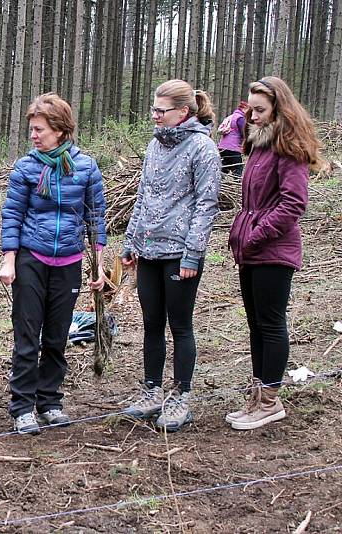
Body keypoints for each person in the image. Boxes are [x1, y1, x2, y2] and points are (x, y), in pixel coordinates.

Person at [0, 93, 107, 435]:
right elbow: (12, 215)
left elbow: (95, 217)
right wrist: (9, 260)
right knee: (28, 336)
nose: (33, 135)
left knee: (58, 336)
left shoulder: (86, 167)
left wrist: (99, 265)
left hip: (69, 261)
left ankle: (49, 402)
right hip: (32, 258)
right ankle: (22, 407)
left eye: (39, 129)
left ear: (60, 130)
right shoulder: (26, 167)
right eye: (31, 129)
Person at [120, 79, 221, 432]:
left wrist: (193, 255)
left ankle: (181, 397)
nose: (156, 116)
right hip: (148, 250)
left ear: (184, 112)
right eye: (154, 109)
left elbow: (206, 206)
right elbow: (143, 196)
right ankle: (151, 391)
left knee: (179, 325)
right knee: (151, 324)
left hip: (180, 254)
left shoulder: (203, 148)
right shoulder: (153, 145)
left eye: (161, 110)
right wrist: (130, 242)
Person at [226, 77, 322, 430]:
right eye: (251, 109)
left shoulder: (289, 148)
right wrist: (244, 237)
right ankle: (257, 396)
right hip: (250, 248)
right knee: (255, 325)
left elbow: (293, 203)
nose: (253, 116)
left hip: (273, 250)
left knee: (270, 323)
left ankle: (270, 401)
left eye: (261, 110)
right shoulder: (259, 146)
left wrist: (257, 234)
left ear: (279, 109)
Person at [217, 101, 250, 176]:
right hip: (233, 148)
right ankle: (237, 184)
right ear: (244, 108)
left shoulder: (231, 117)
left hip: (222, 147)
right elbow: (244, 133)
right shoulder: (240, 118)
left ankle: (220, 183)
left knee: (224, 168)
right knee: (238, 168)